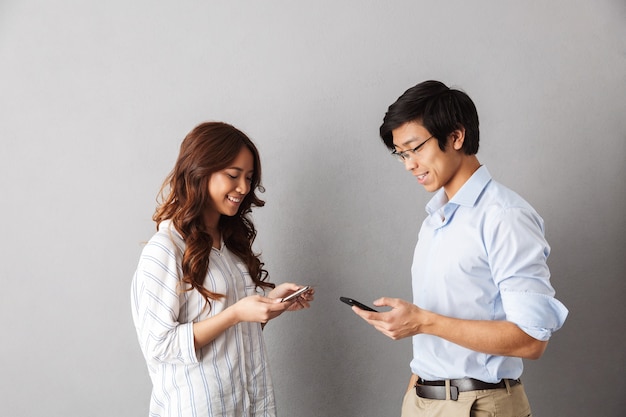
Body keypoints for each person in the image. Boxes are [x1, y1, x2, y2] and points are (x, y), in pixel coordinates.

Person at [351, 81, 568, 417]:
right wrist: (413, 397)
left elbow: (530, 339)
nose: (409, 164)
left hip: (480, 406)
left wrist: (422, 322)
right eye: (402, 154)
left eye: (415, 148)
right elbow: (435, 334)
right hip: (424, 400)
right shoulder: (434, 221)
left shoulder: (505, 216)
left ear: (455, 137)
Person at [131, 121, 314, 417]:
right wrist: (236, 313)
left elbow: (232, 332)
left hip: (247, 404)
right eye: (233, 175)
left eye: (249, 177)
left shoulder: (229, 247)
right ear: (200, 171)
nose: (243, 188)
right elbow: (160, 345)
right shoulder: (165, 248)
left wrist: (269, 306)